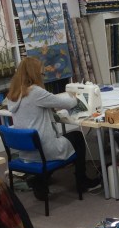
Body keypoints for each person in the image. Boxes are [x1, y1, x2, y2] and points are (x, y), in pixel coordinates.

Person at [6, 57, 100, 199]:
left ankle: (39, 180)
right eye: (42, 74)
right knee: (78, 137)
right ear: (35, 74)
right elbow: (66, 103)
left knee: (63, 138)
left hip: (27, 151)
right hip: (43, 150)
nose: (43, 77)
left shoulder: (13, 94)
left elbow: (37, 109)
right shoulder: (35, 91)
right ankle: (82, 181)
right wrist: (76, 96)